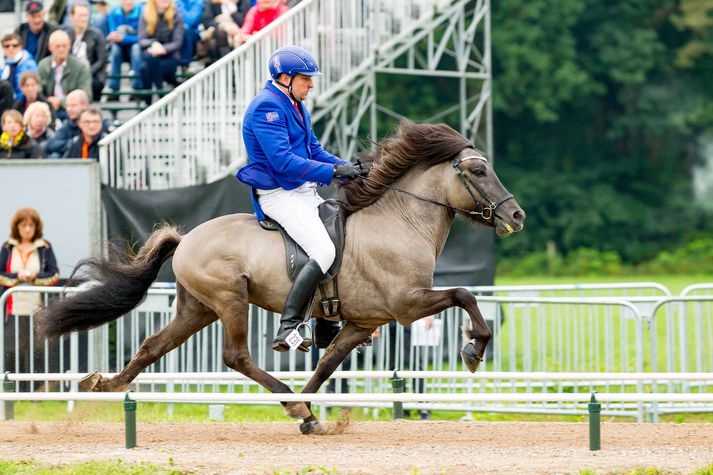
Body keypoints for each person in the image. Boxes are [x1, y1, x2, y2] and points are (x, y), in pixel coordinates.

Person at [236, 45, 367, 352]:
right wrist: (334, 172)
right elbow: (282, 162)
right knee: (322, 249)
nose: (311, 84)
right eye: (306, 78)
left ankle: (325, 325)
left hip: (301, 190)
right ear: (285, 77)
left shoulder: (296, 105)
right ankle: (289, 326)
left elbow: (314, 152)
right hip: (279, 193)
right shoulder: (265, 108)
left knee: (342, 238)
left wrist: (350, 168)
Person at [0, 207, 59, 386]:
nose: (27, 229)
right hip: (14, 308)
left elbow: (54, 274)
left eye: (31, 225)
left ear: (36, 227)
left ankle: (37, 391)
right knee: (12, 349)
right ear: (16, 227)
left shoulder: (44, 247)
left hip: (37, 308)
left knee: (36, 350)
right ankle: (12, 388)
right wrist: (17, 278)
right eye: (23, 225)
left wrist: (34, 278)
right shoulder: (8, 247)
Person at [38, 30, 92, 121]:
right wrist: (48, 101)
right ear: (50, 47)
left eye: (64, 46)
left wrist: (61, 102)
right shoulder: (43, 65)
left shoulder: (80, 66)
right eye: (57, 46)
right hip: (48, 109)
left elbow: (87, 94)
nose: (61, 49)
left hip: (72, 110)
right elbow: (38, 91)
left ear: (70, 45)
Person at [137, 0, 185, 100]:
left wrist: (163, 49)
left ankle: (149, 101)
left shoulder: (177, 15)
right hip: (152, 54)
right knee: (146, 65)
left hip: (170, 57)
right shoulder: (145, 14)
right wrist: (154, 43)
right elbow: (141, 40)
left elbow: (177, 43)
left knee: (145, 68)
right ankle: (160, 93)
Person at [45, 89, 112, 157]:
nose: (69, 109)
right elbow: (51, 144)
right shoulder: (69, 125)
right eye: (67, 105)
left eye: (73, 105)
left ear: (85, 105)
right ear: (80, 124)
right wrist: (73, 142)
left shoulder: (104, 126)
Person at [63, 2, 107, 101]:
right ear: (72, 17)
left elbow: (101, 60)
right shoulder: (66, 35)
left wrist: (85, 73)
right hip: (70, 75)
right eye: (80, 16)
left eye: (86, 15)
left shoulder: (97, 35)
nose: (84, 19)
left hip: (92, 76)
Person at [107, 0, 144, 92]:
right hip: (120, 49)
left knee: (136, 49)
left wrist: (124, 38)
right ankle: (114, 87)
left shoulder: (142, 12)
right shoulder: (113, 12)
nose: (128, 2)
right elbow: (114, 34)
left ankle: (137, 86)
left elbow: (142, 38)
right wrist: (117, 37)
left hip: (136, 48)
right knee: (115, 49)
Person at [198, 0, 250, 65]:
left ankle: (229, 66)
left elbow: (244, 23)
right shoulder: (210, 2)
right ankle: (226, 65)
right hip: (217, 35)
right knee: (217, 38)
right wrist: (223, 25)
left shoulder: (244, 2)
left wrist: (232, 12)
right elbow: (207, 21)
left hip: (237, 34)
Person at [0, 33, 39, 101]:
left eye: (15, 46)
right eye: (7, 46)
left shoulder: (28, 64)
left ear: (20, 47)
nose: (11, 49)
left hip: (22, 102)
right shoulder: (2, 65)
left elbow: (29, 89)